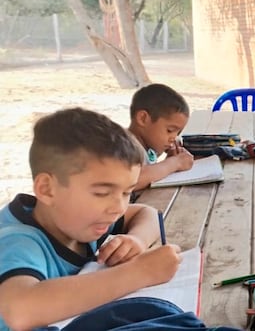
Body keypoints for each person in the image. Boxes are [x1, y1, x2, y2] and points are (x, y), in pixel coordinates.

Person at [0, 108, 182, 330]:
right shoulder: (17, 241)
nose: (118, 207)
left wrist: (136, 241)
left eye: (126, 193)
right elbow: (20, 310)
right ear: (47, 189)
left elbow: (147, 213)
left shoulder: (78, 221)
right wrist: (140, 272)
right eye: (102, 193)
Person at [128, 83, 194, 190]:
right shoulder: (125, 146)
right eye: (170, 130)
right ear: (143, 118)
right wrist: (174, 163)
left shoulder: (145, 147)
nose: (174, 138)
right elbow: (131, 180)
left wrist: (168, 161)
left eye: (177, 133)